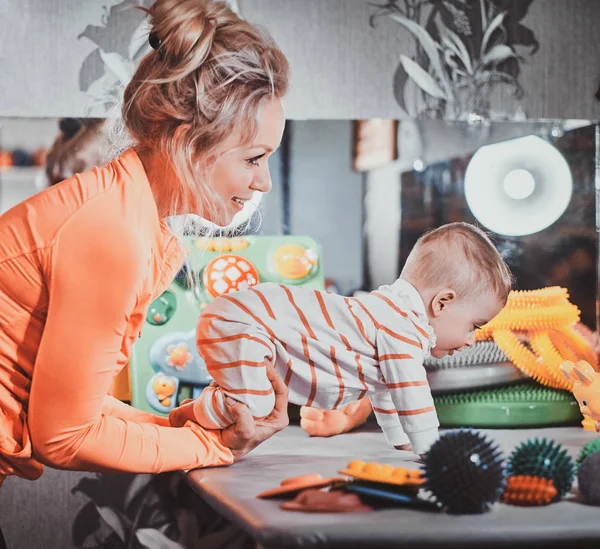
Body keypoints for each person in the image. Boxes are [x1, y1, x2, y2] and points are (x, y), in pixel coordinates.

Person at [0, 0, 291, 487]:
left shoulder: (131, 218)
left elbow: (77, 407)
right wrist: (212, 446)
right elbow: (65, 436)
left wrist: (182, 424)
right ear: (190, 139)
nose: (262, 182)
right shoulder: (113, 233)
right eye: (254, 158)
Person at [182, 222, 512, 456]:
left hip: (242, 318)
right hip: (244, 321)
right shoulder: (399, 328)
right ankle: (190, 417)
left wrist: (401, 442)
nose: (471, 339)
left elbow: (385, 389)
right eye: (474, 325)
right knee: (256, 406)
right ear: (442, 303)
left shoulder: (386, 319)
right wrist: (431, 447)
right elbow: (413, 394)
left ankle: (195, 413)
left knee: (251, 398)